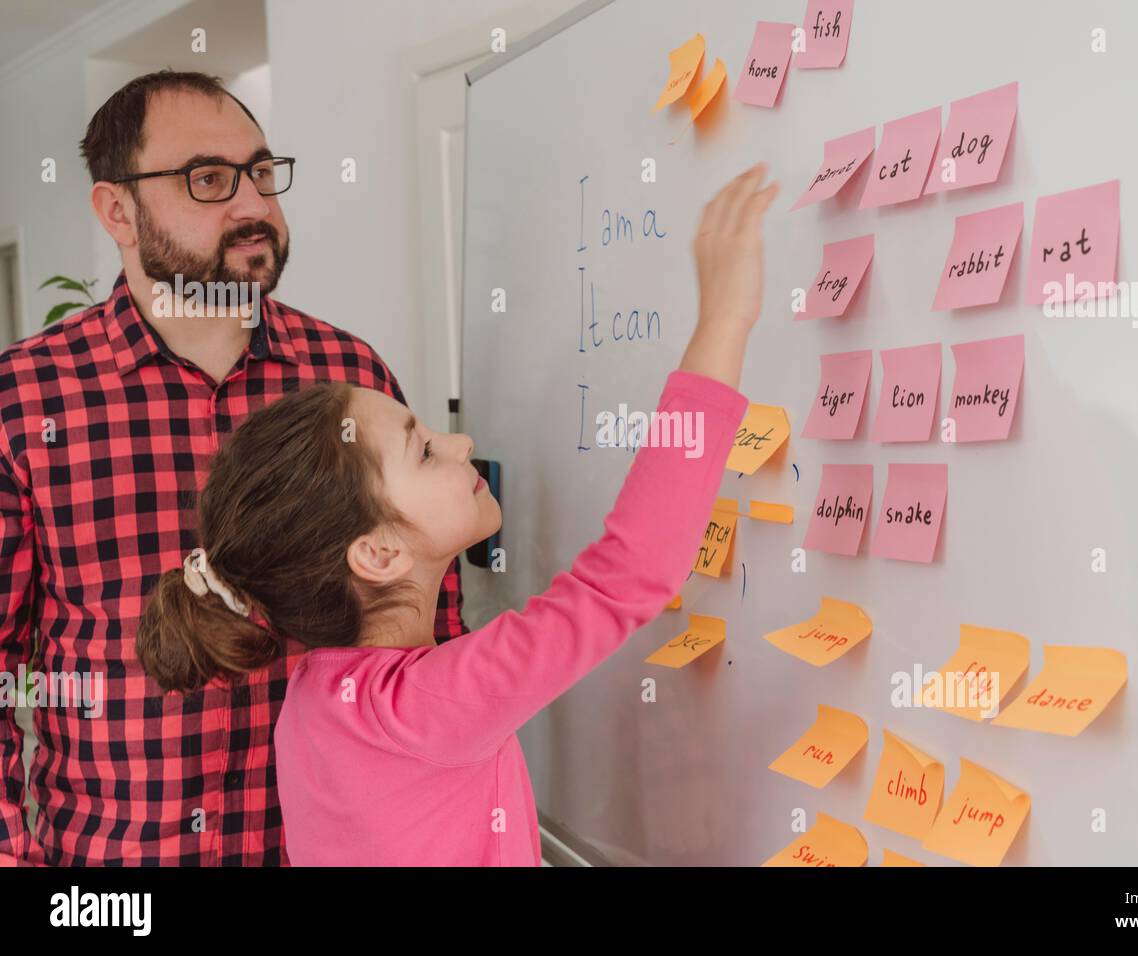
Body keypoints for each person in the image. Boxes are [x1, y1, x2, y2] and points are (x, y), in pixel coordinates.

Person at [133, 163, 779, 864]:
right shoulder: (425, 710)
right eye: (424, 450)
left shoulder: (313, 703)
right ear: (376, 553)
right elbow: (627, 576)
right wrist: (724, 320)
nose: (462, 443)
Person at [0, 70, 465, 866]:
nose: (253, 205)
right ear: (117, 210)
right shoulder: (24, 398)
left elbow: (431, 637)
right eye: (208, 179)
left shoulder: (349, 378)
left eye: (260, 172)